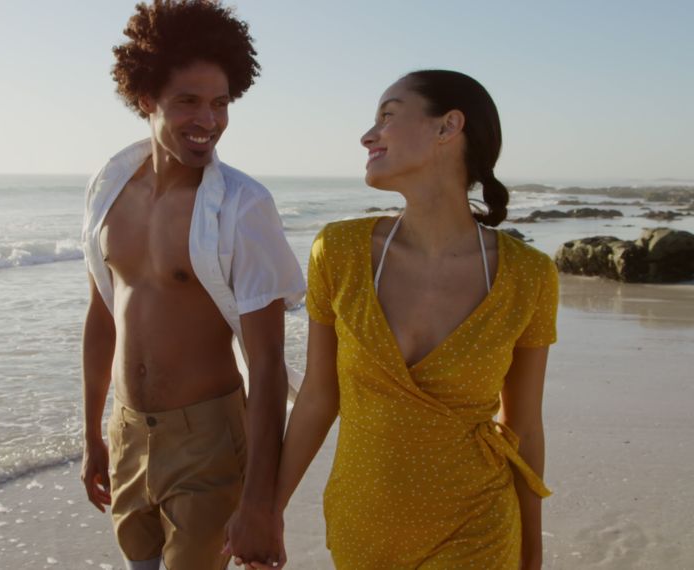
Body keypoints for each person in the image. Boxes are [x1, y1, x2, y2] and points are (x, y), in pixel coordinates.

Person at [261, 70, 558, 569]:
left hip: (477, 529)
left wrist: (532, 552)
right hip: (362, 530)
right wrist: (269, 508)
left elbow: (523, 423)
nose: (367, 135)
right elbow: (318, 394)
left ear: (448, 127)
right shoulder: (338, 251)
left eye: (387, 116)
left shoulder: (528, 276)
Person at [78, 1, 304, 568]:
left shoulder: (244, 207)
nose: (208, 120)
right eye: (188, 102)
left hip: (208, 441)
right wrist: (93, 436)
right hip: (127, 430)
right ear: (145, 98)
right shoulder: (108, 189)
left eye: (221, 103)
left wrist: (260, 501)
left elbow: (269, 360)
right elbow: (103, 315)